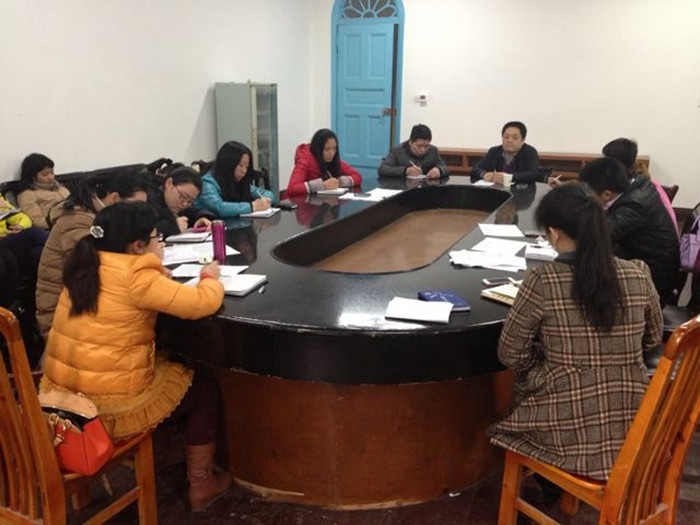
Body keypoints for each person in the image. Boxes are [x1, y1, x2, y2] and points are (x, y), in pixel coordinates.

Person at [40, 201, 231, 511]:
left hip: (62, 396)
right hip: (103, 410)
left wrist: (156, 277)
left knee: (165, 363)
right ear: (137, 246)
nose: (161, 244)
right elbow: (201, 303)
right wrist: (210, 277)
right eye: (157, 238)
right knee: (203, 389)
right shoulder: (136, 276)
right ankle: (202, 485)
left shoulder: (85, 264)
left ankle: (165, 453)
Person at [489, 182, 662, 481]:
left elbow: (510, 354)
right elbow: (653, 337)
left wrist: (549, 365)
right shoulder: (638, 272)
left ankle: (553, 484)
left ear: (554, 234)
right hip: (633, 427)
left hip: (562, 428)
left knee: (513, 402)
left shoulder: (543, 280)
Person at [36, 171, 148, 338]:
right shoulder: (77, 221)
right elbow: (103, 266)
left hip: (86, 306)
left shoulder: (98, 218)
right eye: (135, 208)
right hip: (64, 319)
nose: (139, 215)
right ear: (115, 198)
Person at [578, 157, 679, 305]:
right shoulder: (637, 187)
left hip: (651, 284)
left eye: (587, 193)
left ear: (607, 194)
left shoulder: (634, 205)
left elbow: (598, 237)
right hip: (643, 266)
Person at [602, 138, 678, 231]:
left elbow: (612, 228)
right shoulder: (642, 181)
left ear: (616, 164)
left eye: (605, 161)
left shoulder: (638, 192)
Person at [195, 141, 276, 218]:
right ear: (228, 164)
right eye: (241, 165)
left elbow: (269, 195)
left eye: (246, 167)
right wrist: (252, 206)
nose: (244, 171)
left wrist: (265, 201)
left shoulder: (236, 180)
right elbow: (219, 208)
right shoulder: (208, 182)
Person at [285, 128, 362, 197]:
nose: (331, 153)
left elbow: (358, 177)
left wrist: (339, 182)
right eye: (327, 149)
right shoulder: (305, 160)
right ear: (318, 149)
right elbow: (292, 188)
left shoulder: (333, 160)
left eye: (334, 148)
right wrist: (322, 185)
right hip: (297, 204)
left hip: (321, 202)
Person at [145, 166, 214, 237]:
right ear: (169, 183)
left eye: (190, 201)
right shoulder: (147, 199)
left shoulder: (175, 204)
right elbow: (143, 231)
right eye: (183, 197)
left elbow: (191, 212)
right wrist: (172, 226)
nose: (185, 204)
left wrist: (201, 218)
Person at [471, 121, 540, 184]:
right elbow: (475, 169)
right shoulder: (494, 151)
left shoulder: (530, 152)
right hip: (497, 190)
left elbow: (532, 174)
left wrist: (509, 177)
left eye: (515, 138)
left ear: (522, 140)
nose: (509, 140)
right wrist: (484, 174)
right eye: (506, 137)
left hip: (521, 191)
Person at [16, 153, 70, 229]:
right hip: (57, 228)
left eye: (52, 172)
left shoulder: (61, 188)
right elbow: (35, 220)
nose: (51, 177)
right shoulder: (28, 194)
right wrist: (61, 223)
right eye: (45, 174)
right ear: (33, 177)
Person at [377, 124, 448, 179]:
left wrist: (439, 170)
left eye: (426, 146)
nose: (423, 150)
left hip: (425, 188)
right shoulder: (397, 151)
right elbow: (383, 169)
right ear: (410, 142)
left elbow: (445, 168)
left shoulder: (433, 151)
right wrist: (405, 171)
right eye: (419, 146)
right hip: (402, 188)